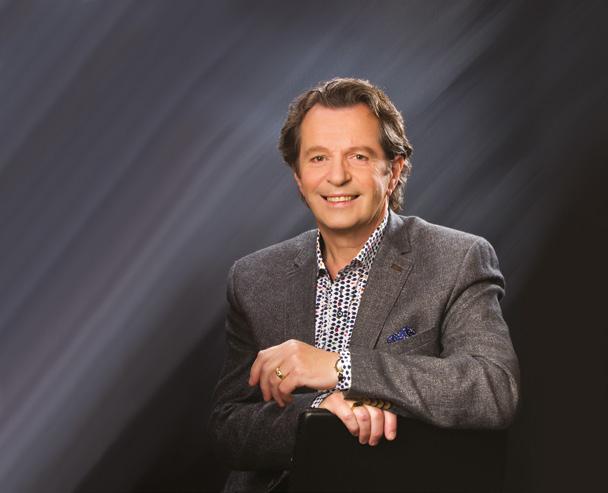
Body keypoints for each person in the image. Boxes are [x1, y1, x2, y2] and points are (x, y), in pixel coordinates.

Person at [209, 77, 520, 492]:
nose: (337, 176)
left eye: (358, 156)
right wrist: (319, 410)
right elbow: (228, 426)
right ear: (298, 176)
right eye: (318, 158)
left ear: (393, 171)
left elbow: (492, 388)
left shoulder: (457, 259)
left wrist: (341, 368)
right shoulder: (253, 277)